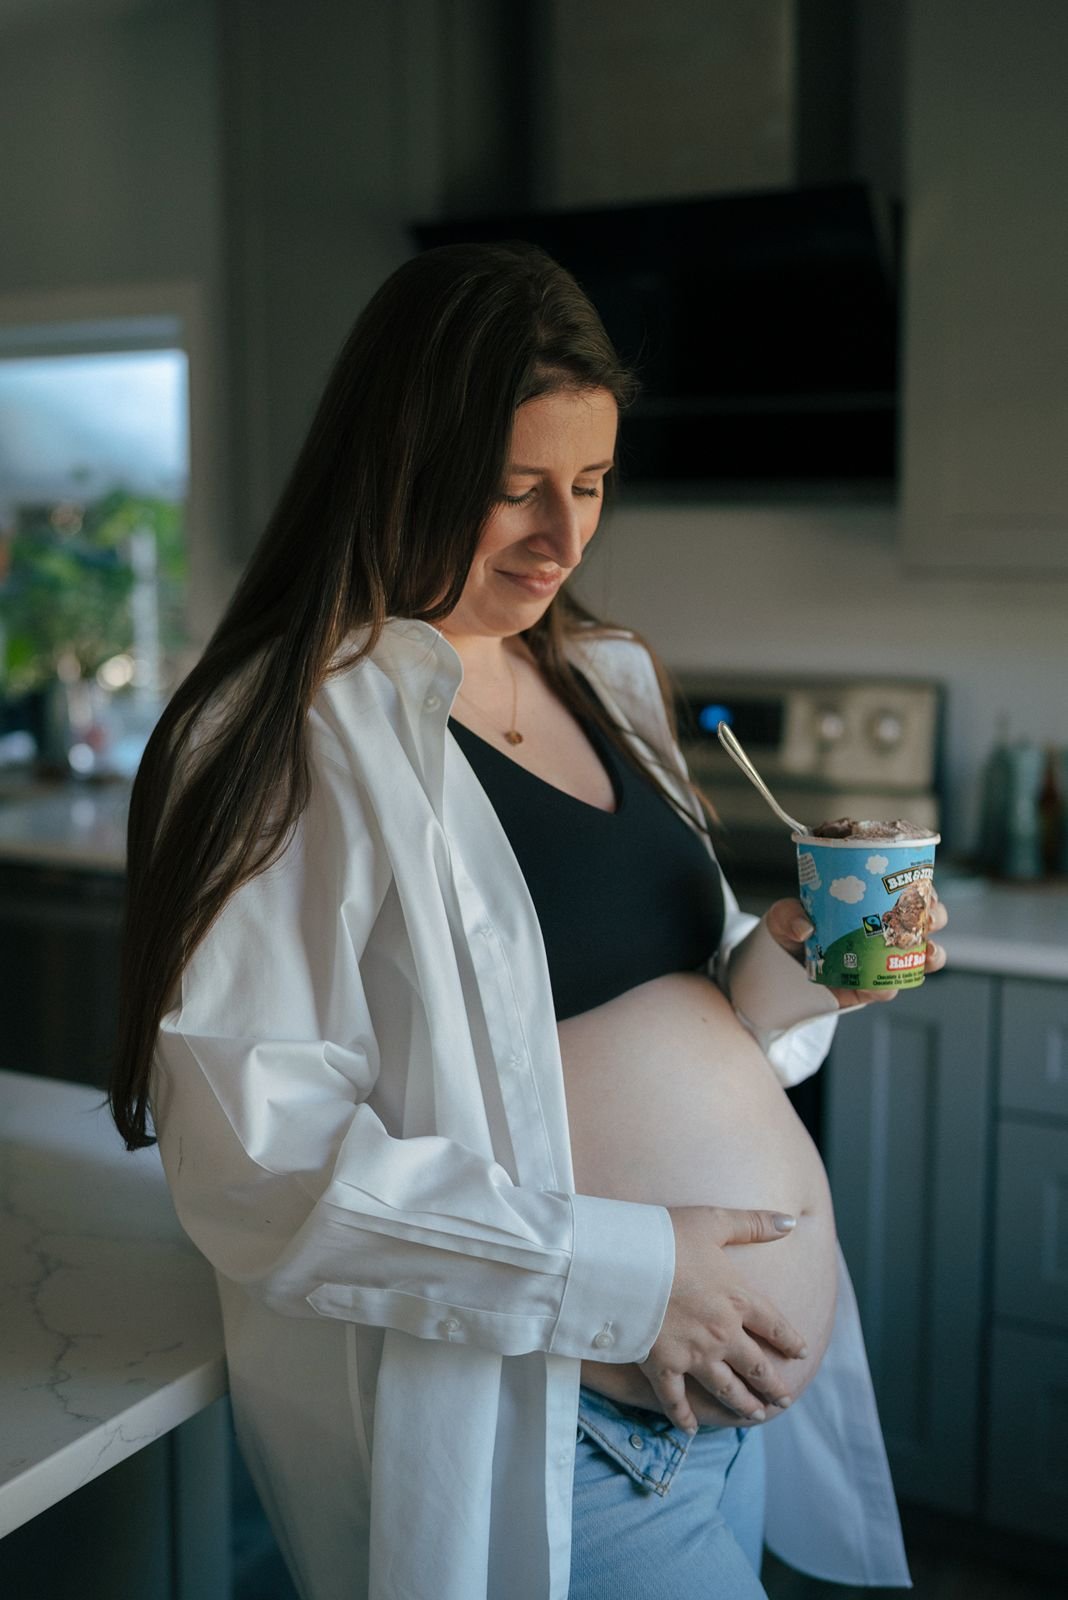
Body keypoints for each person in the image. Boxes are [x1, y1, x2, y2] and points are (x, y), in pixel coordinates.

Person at [111, 242, 947, 1600]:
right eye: (514, 491)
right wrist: (633, 1274)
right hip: (556, 1445)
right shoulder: (277, 734)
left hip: (718, 1419)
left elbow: (674, 1015)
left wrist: (791, 973)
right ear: (397, 469)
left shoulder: (602, 678)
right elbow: (261, 1166)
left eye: (592, 483)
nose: (565, 537)